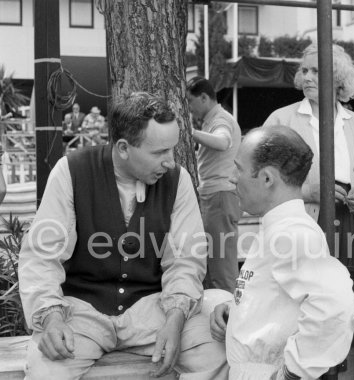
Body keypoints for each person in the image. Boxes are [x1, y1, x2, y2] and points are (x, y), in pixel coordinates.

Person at [18, 92, 228, 379]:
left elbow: (186, 260)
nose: (170, 162)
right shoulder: (71, 171)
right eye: (159, 152)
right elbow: (42, 256)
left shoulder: (178, 181)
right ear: (123, 148)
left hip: (152, 310)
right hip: (82, 312)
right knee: (46, 370)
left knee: (216, 350)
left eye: (172, 149)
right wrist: (51, 318)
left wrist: (175, 319)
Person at [210, 125, 354, 380]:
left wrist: (293, 373)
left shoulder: (291, 234)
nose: (232, 178)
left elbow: (337, 306)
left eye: (239, 169)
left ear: (267, 178)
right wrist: (235, 308)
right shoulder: (281, 229)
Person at [263, 44, 354, 269]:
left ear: (338, 77)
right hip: (299, 230)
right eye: (305, 71)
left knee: (348, 294)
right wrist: (309, 192)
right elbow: (260, 183)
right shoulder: (281, 120)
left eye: (316, 71)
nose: (307, 77)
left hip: (349, 226)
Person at [187, 76, 242, 293]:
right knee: (215, 264)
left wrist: (189, 132)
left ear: (203, 98)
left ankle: (230, 317)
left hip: (220, 195)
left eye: (190, 102)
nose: (189, 109)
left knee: (222, 267)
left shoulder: (221, 119)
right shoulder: (214, 119)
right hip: (216, 196)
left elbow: (222, 141)